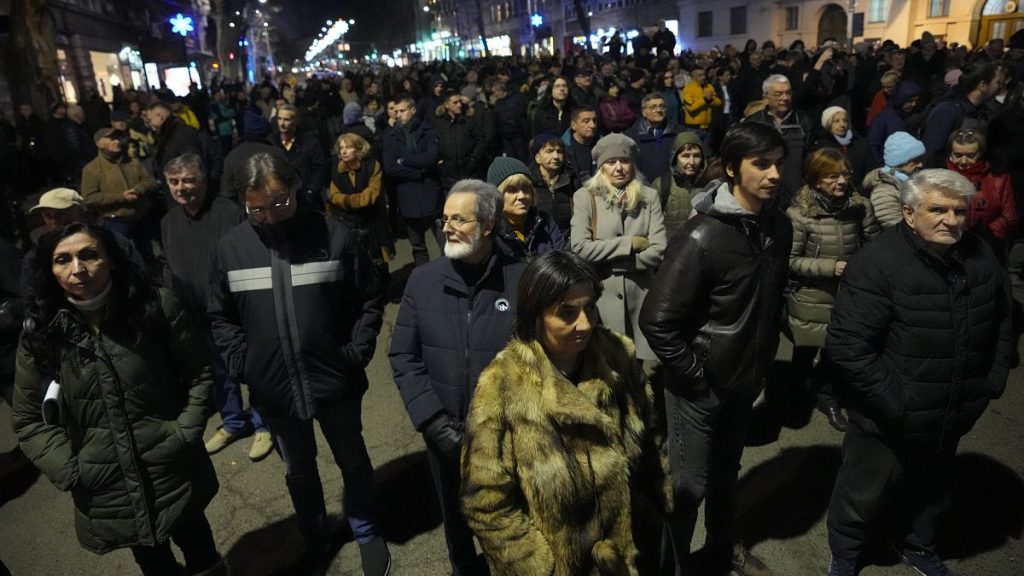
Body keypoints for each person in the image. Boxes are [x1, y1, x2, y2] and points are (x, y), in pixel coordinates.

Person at [208, 153, 390, 576]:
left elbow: (368, 298)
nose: (269, 217)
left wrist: (354, 353)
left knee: (353, 460)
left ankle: (366, 530)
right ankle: (315, 536)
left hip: (335, 380)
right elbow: (220, 315)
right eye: (257, 209)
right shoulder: (231, 248)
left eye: (279, 203)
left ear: (295, 189)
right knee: (299, 470)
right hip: (273, 387)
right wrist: (243, 364)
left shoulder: (334, 235)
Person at [824, 169, 1013, 576]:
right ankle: (846, 554)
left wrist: (990, 384)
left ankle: (919, 545)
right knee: (862, 491)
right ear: (909, 214)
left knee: (932, 490)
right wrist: (896, 401)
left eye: (959, 211)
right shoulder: (878, 262)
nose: (951, 220)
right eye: (938, 210)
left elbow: (1003, 323)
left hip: (953, 408)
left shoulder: (981, 255)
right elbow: (848, 346)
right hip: (889, 414)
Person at [12, 222, 225, 575]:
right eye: (62, 259)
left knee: (201, 551)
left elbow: (201, 373)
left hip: (173, 470)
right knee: (154, 564)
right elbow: (28, 419)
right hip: (109, 490)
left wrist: (184, 431)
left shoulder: (154, 305)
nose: (77, 269)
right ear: (49, 270)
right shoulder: (41, 333)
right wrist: (71, 469)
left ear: (111, 259)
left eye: (89, 255)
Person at [639, 121, 792, 576]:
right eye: (760, 164)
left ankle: (723, 548)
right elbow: (656, 320)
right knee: (688, 488)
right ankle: (673, 568)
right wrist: (695, 376)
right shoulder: (700, 236)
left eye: (778, 165)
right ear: (730, 169)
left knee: (727, 476)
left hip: (745, 382)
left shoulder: (779, 227)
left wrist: (758, 365)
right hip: (699, 390)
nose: (774, 175)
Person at [461, 250, 672, 576]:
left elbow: (652, 436)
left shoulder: (617, 356)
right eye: (567, 312)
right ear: (535, 315)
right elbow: (485, 502)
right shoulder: (502, 387)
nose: (585, 323)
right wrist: (537, 566)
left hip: (636, 554)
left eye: (590, 307)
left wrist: (659, 508)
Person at [390, 179, 526, 576]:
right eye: (444, 218)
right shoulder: (423, 281)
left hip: (506, 435)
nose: (447, 227)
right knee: (457, 525)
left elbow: (536, 359)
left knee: (510, 523)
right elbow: (403, 355)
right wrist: (433, 422)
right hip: (444, 435)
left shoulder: (521, 279)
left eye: (458, 219)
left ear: (487, 225)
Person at [158, 153, 270, 461]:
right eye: (174, 182)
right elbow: (167, 264)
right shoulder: (168, 221)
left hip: (234, 311)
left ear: (204, 180)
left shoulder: (229, 211)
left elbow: (249, 255)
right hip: (195, 314)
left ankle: (264, 424)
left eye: (188, 180)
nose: (181, 188)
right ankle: (234, 421)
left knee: (249, 367)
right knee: (218, 374)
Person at [785, 148, 881, 433]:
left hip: (850, 294)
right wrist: (831, 267)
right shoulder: (800, 214)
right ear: (815, 180)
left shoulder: (860, 206)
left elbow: (874, 246)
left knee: (836, 352)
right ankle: (797, 396)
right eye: (831, 176)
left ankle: (828, 399)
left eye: (845, 174)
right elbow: (789, 261)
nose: (840, 181)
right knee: (805, 350)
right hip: (812, 294)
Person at [570, 133, 666, 364]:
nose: (618, 168)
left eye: (624, 161)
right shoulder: (585, 197)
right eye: (611, 162)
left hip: (642, 298)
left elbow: (659, 250)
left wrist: (609, 260)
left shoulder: (649, 197)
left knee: (646, 374)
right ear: (601, 167)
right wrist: (629, 244)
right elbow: (580, 248)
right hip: (600, 299)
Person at [80, 127, 160, 264]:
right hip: (115, 221)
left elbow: (150, 181)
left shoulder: (132, 162)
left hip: (140, 217)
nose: (117, 141)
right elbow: (89, 198)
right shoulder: (92, 169)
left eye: (117, 138)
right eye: (111, 138)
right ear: (99, 143)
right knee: (121, 258)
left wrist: (138, 190)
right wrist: (121, 197)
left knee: (147, 254)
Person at [383, 97, 445, 266]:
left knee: (445, 242)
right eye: (396, 112)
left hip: (431, 193)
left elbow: (431, 157)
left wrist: (404, 160)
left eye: (402, 111)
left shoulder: (427, 131)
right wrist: (418, 172)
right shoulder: (391, 136)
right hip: (408, 196)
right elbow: (390, 167)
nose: (398, 115)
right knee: (418, 246)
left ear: (413, 110)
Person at [944, 128, 1018, 259]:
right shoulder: (939, 177)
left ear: (981, 154)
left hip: (987, 246)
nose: (964, 161)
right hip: (947, 244)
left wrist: (990, 234)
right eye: (958, 155)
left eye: (971, 155)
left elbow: (1009, 215)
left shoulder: (998, 178)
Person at [744, 74, 813, 208]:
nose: (785, 98)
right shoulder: (754, 122)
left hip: (797, 198)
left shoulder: (803, 121)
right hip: (762, 197)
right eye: (778, 94)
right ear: (765, 98)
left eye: (788, 93)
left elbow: (811, 157)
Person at [328, 133, 394, 266]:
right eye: (341, 148)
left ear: (359, 148)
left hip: (373, 220)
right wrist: (351, 201)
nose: (344, 151)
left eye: (348, 147)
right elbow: (334, 196)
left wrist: (348, 201)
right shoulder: (337, 170)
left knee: (379, 262)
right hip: (349, 222)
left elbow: (371, 194)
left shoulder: (371, 165)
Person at [486, 157, 566, 261]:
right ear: (497, 196)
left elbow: (564, 262)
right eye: (512, 190)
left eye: (526, 188)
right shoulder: (490, 232)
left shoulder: (545, 222)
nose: (522, 196)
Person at [269, 103, 329, 212]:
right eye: (279, 119)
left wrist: (311, 191)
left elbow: (320, 168)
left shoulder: (310, 141)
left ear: (296, 121)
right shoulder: (272, 142)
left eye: (286, 120)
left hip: (307, 201)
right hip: (281, 201)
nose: (282, 123)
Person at [651, 131, 708, 238]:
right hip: (671, 248)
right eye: (685, 156)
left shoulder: (709, 184)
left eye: (696, 156)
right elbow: (651, 224)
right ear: (675, 158)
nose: (691, 162)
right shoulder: (662, 184)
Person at [866, 131, 926, 228]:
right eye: (915, 160)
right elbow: (894, 227)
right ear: (900, 162)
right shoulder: (884, 192)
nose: (920, 165)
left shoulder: (910, 183)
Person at [813, 106, 878, 191]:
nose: (842, 125)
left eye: (845, 120)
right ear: (828, 124)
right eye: (836, 121)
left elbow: (871, 170)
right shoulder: (821, 147)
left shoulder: (861, 144)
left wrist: (860, 192)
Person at [529, 134, 579, 238]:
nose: (556, 156)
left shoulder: (572, 180)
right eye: (549, 151)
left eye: (559, 151)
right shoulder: (529, 183)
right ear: (537, 157)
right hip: (539, 241)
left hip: (568, 241)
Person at [625, 93, 682, 181]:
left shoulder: (679, 132)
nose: (658, 110)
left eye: (662, 106)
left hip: (672, 184)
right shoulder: (632, 136)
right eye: (653, 107)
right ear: (644, 112)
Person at [682, 66, 722, 151]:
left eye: (704, 74)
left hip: (708, 127)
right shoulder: (688, 89)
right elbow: (691, 108)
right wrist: (704, 100)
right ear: (693, 77)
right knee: (694, 152)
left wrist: (710, 100)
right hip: (694, 128)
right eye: (700, 75)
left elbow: (718, 102)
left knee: (706, 153)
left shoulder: (709, 87)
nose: (703, 77)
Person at [564, 106, 599, 182]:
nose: (592, 125)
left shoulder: (602, 145)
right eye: (586, 121)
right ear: (573, 125)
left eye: (594, 121)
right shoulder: (563, 150)